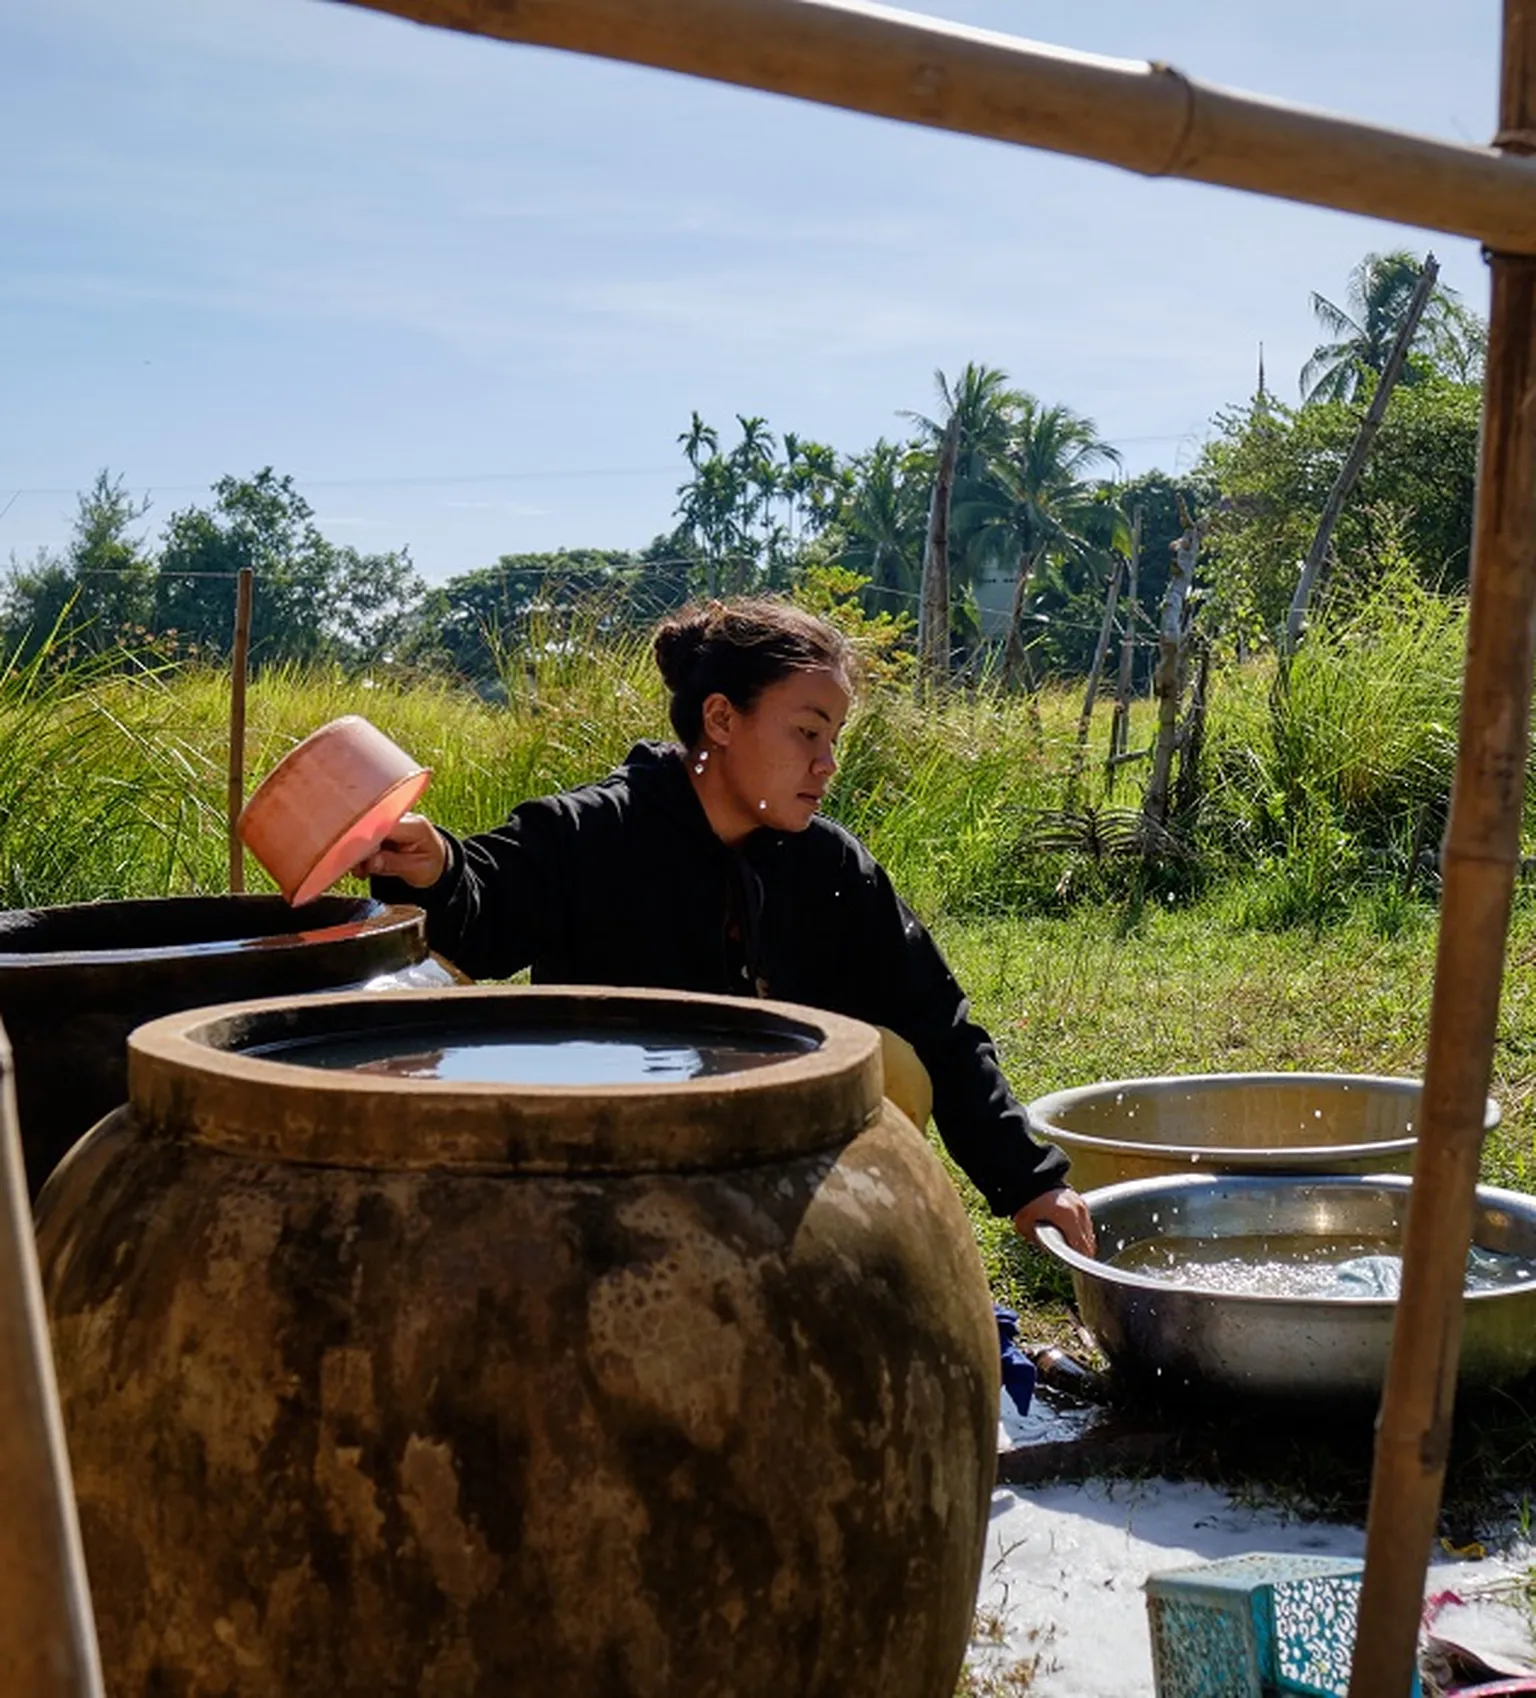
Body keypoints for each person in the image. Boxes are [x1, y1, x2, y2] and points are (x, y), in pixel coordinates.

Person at [361, 597, 1096, 1256]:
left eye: (834, 736)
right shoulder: (593, 832)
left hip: (769, 1167)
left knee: (894, 1060)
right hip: (612, 1171)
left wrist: (1029, 1182)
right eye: (807, 732)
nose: (828, 763)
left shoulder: (829, 867)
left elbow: (937, 1018)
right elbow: (480, 911)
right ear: (720, 718)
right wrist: (435, 868)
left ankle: (822, 1248)